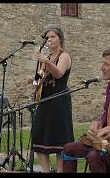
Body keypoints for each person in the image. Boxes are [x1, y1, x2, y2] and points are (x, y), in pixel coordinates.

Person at [29, 25, 74, 173]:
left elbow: (59, 74)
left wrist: (46, 62)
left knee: (59, 137)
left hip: (59, 100)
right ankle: (46, 171)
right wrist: (33, 80)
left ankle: (60, 170)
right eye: (47, 37)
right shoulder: (47, 57)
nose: (49, 39)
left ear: (60, 38)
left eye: (52, 36)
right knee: (40, 135)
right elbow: (40, 79)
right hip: (45, 100)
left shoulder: (64, 56)